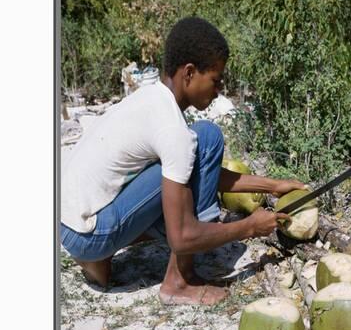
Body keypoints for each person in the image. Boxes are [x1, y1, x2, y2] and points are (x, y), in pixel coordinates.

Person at [61, 17, 304, 305]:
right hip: (92, 231)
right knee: (208, 137)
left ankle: (97, 256)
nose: (219, 90)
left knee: (199, 143)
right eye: (215, 80)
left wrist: (272, 186)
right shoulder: (173, 130)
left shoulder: (150, 98)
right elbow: (181, 237)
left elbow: (204, 172)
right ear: (189, 73)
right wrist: (250, 227)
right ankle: (178, 281)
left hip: (69, 224)